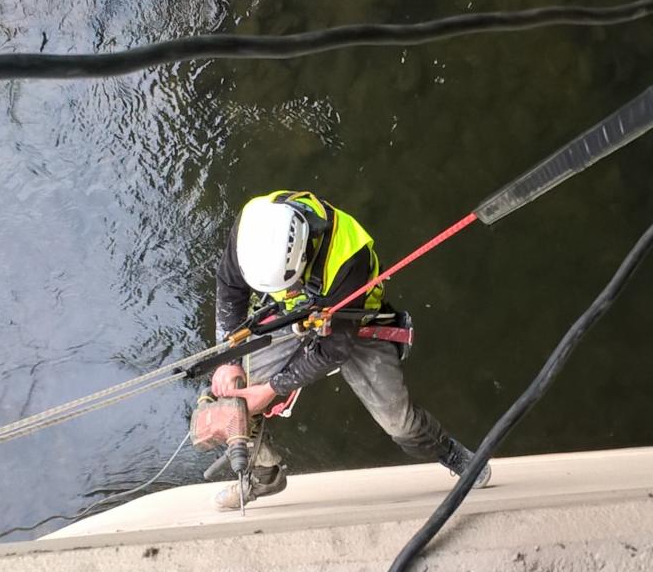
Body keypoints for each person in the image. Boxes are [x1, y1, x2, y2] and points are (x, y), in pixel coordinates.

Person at [206, 189, 492, 511]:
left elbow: (333, 349)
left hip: (353, 325)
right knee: (229, 393)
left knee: (399, 422)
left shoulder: (347, 259)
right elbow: (230, 286)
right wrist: (228, 359)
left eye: (288, 282)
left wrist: (272, 390)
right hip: (295, 315)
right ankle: (264, 474)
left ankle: (445, 449)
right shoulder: (254, 224)